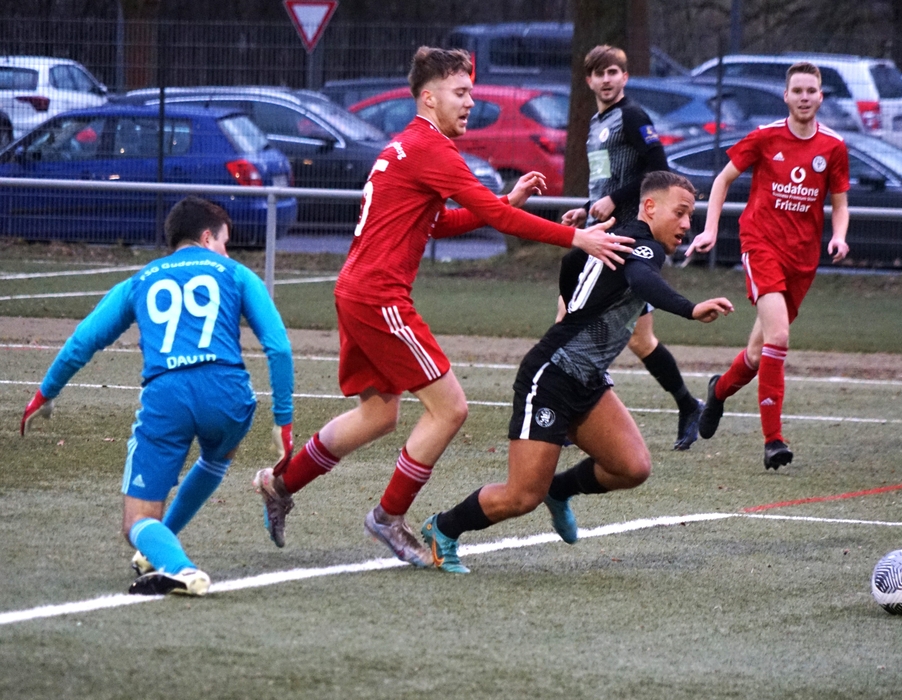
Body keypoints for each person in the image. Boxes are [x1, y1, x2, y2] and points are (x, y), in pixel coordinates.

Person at [251, 46, 634, 567]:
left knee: (377, 415)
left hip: (356, 291)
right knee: (450, 408)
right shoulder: (430, 148)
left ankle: (280, 484)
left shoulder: (405, 146)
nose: (471, 102)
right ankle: (388, 517)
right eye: (461, 92)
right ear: (429, 98)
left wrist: (506, 202)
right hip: (378, 295)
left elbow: (440, 222)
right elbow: (494, 219)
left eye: (470, 92)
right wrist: (576, 237)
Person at [421, 171, 734, 573]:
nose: (687, 224)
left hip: (587, 378)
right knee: (521, 497)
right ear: (650, 207)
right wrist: (690, 309)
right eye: (681, 213)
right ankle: (444, 528)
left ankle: (559, 489)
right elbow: (642, 279)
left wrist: (573, 304)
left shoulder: (623, 238)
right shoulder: (644, 246)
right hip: (552, 376)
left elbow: (572, 261)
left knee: (632, 467)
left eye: (691, 215)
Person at [19, 196, 294, 596]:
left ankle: (179, 567)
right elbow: (279, 348)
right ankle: (160, 547)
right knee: (217, 455)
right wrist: (283, 420)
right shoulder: (236, 273)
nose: (226, 251)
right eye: (224, 242)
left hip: (168, 396)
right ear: (207, 237)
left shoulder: (140, 280)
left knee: (135, 521)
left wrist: (45, 394)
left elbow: (83, 341)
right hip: (229, 394)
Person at [685, 61, 850, 470]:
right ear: (786, 96)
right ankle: (773, 441)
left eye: (811, 91)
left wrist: (839, 235)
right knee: (779, 337)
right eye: (797, 91)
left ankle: (718, 392)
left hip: (802, 259)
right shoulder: (764, 137)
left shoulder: (833, 147)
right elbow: (722, 180)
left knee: (759, 353)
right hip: (761, 246)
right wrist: (709, 229)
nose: (804, 97)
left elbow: (840, 202)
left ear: (820, 97)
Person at [560, 44, 704, 452]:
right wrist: (587, 207)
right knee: (639, 340)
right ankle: (688, 404)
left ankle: (568, 411)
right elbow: (609, 181)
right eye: (599, 73)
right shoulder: (597, 122)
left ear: (625, 77)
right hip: (603, 232)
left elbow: (659, 171)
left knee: (572, 319)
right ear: (588, 81)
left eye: (613, 72)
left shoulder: (633, 116)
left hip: (627, 238)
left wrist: (614, 200)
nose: (606, 79)